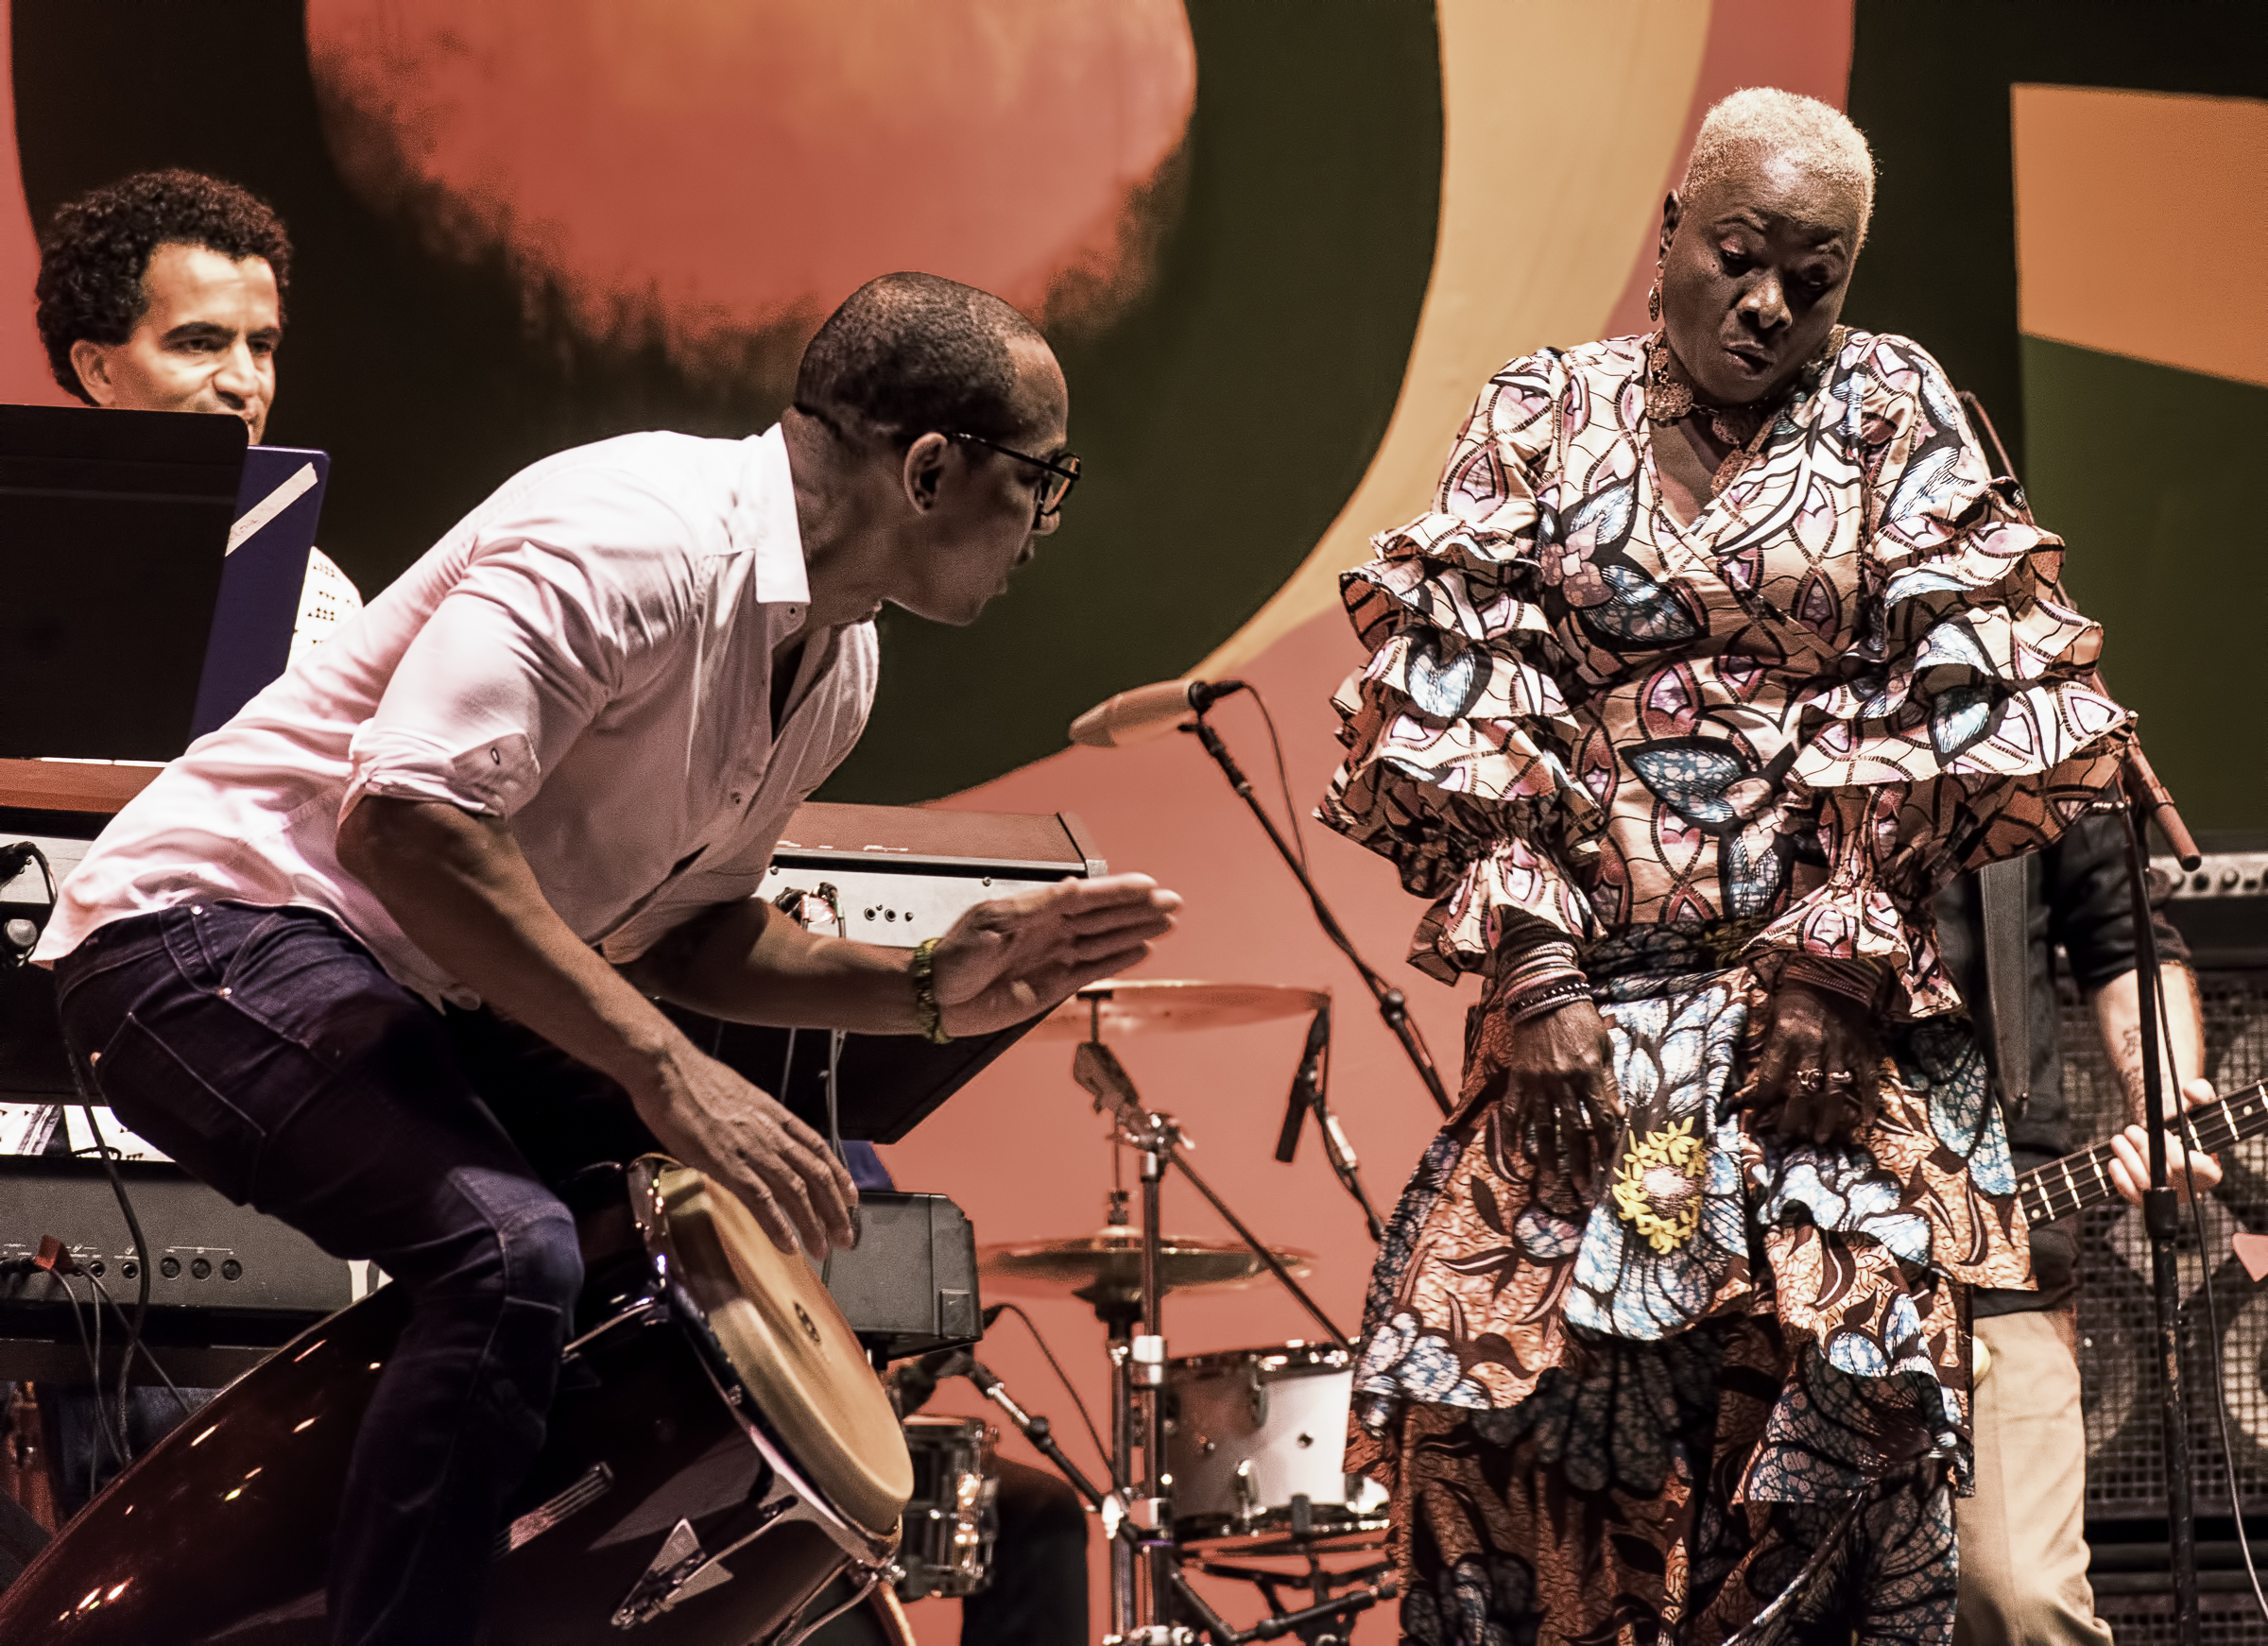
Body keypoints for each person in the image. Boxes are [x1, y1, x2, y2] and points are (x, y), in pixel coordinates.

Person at [30, 270, 1177, 1646]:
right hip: (194, 938)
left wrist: (923, 982)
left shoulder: (840, 664)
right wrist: (665, 1069)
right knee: (511, 1252)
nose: (1044, 524)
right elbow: (406, 823)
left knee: (684, 1236)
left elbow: (692, 928)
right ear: (931, 467)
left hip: (390, 977)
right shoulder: (634, 536)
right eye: (1040, 482)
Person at [1318, 88, 2152, 1645]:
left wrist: (1838, 959)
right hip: (1578, 1040)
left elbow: (1971, 692)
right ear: (1670, 234)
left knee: (1827, 1497)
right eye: (1740, 257)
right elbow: (1472, 683)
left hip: (1818, 1056)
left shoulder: (1896, 410)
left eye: (1813, 279)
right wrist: (1539, 971)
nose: (1769, 305)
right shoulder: (1539, 413)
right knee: (1520, 1480)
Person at [1938, 820, 2218, 1646]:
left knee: (2022, 1602)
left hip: (1994, 1226)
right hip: (1747, 1226)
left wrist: (2161, 1101)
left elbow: (2124, 940)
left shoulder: (2026, 712)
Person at [34, 168, 363, 660]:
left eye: (260, 346)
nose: (245, 382)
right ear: (99, 370)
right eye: (198, 344)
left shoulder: (319, 595)